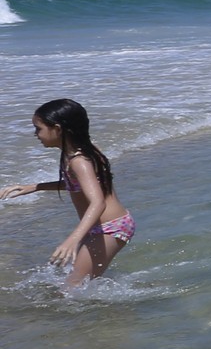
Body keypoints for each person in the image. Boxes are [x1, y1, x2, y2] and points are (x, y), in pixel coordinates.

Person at [2, 99, 135, 287]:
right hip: (104, 226)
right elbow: (77, 184)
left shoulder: (78, 161)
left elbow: (98, 202)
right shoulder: (82, 151)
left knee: (70, 290)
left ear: (57, 129)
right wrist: (34, 187)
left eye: (38, 128)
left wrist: (72, 239)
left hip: (111, 228)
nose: (35, 134)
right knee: (77, 284)